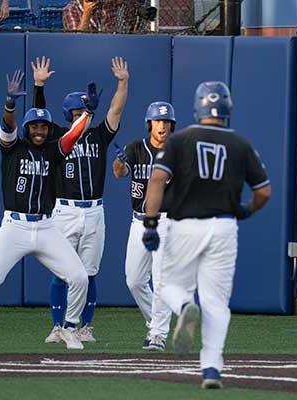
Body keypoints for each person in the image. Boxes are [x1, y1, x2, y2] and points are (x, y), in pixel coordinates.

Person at [0, 69, 100, 350]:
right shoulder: (12, 148)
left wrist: (88, 115)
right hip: (14, 227)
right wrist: (10, 103)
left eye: (43, 127)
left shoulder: (51, 151)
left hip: (46, 227)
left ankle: (69, 328)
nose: (39, 131)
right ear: (27, 128)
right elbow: (7, 125)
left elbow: (70, 138)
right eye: (34, 126)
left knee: (79, 276)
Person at [142, 82, 271, 389]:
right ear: (228, 108)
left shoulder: (180, 140)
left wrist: (149, 223)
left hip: (185, 224)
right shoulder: (240, 143)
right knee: (216, 303)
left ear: (198, 106)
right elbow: (264, 192)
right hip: (224, 227)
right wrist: (246, 210)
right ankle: (211, 368)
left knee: (170, 285)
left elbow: (157, 179)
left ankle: (185, 307)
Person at [31, 56, 129, 344]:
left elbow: (116, 109)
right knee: (62, 271)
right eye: (76, 112)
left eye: (84, 110)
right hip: (65, 211)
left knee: (89, 273)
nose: (81, 115)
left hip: (94, 211)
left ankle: (85, 326)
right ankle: (57, 326)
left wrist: (123, 82)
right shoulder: (58, 138)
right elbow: (38, 116)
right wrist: (38, 86)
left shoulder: (99, 136)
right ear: (67, 115)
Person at [111, 101, 175, 351]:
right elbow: (119, 173)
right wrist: (119, 162)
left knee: (161, 280)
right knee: (134, 280)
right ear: (149, 123)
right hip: (138, 222)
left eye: (167, 121)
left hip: (165, 222)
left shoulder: (176, 152)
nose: (163, 126)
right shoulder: (136, 147)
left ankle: (158, 334)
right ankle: (155, 323)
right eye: (158, 121)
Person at [62, 0, 155, 33]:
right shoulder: (70, 9)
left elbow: (126, 4)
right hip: (87, 49)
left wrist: (141, 11)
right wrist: (87, 13)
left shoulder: (105, 4)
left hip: (109, 45)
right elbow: (76, 39)